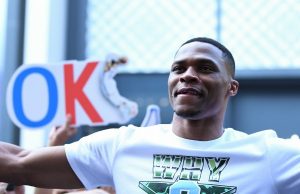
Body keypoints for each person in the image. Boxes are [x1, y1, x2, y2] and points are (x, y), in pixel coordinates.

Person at [1, 37, 300, 193]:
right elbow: (19, 162)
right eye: (178, 68)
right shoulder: (122, 146)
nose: (188, 75)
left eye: (205, 68)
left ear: (231, 87)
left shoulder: (268, 154)